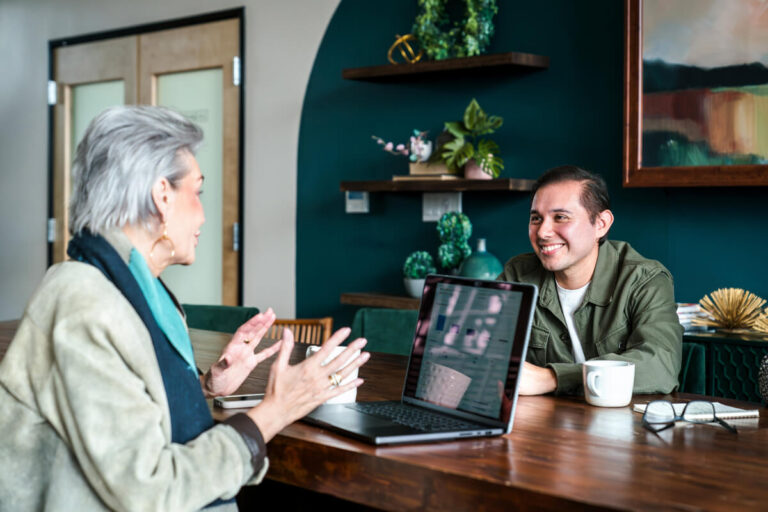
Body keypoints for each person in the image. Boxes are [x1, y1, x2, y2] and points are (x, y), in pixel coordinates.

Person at [0, 105, 369, 511]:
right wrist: (274, 412)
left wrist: (207, 387)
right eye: (198, 191)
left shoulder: (136, 290)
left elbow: (128, 418)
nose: (205, 215)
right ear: (162, 195)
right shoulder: (83, 303)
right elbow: (149, 492)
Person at [500, 165, 682, 396]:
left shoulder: (645, 280)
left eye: (560, 217)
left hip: (625, 427)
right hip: (542, 424)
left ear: (601, 224)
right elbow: (476, 347)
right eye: (536, 218)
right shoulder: (518, 275)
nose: (543, 232)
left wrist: (553, 378)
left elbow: (660, 367)